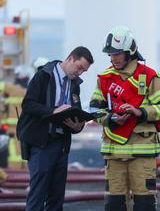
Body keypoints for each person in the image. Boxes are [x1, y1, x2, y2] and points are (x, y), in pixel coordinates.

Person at [89, 26, 160, 211]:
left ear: (130, 52)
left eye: (118, 53)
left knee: (144, 205)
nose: (113, 58)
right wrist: (110, 119)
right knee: (113, 205)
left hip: (142, 154)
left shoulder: (149, 77)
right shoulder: (104, 78)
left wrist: (140, 112)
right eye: (111, 54)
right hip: (114, 154)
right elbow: (94, 109)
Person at [17, 46, 93, 211]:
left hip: (61, 145)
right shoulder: (43, 76)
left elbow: (76, 113)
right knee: (38, 195)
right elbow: (28, 105)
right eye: (79, 67)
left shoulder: (74, 85)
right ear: (71, 58)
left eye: (84, 71)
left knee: (57, 197)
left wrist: (77, 126)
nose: (80, 72)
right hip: (41, 144)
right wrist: (52, 111)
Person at [1, 65, 32, 170]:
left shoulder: (12, 89)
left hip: (13, 127)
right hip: (27, 127)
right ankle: (26, 171)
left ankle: (15, 170)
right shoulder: (31, 90)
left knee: (14, 150)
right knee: (26, 149)